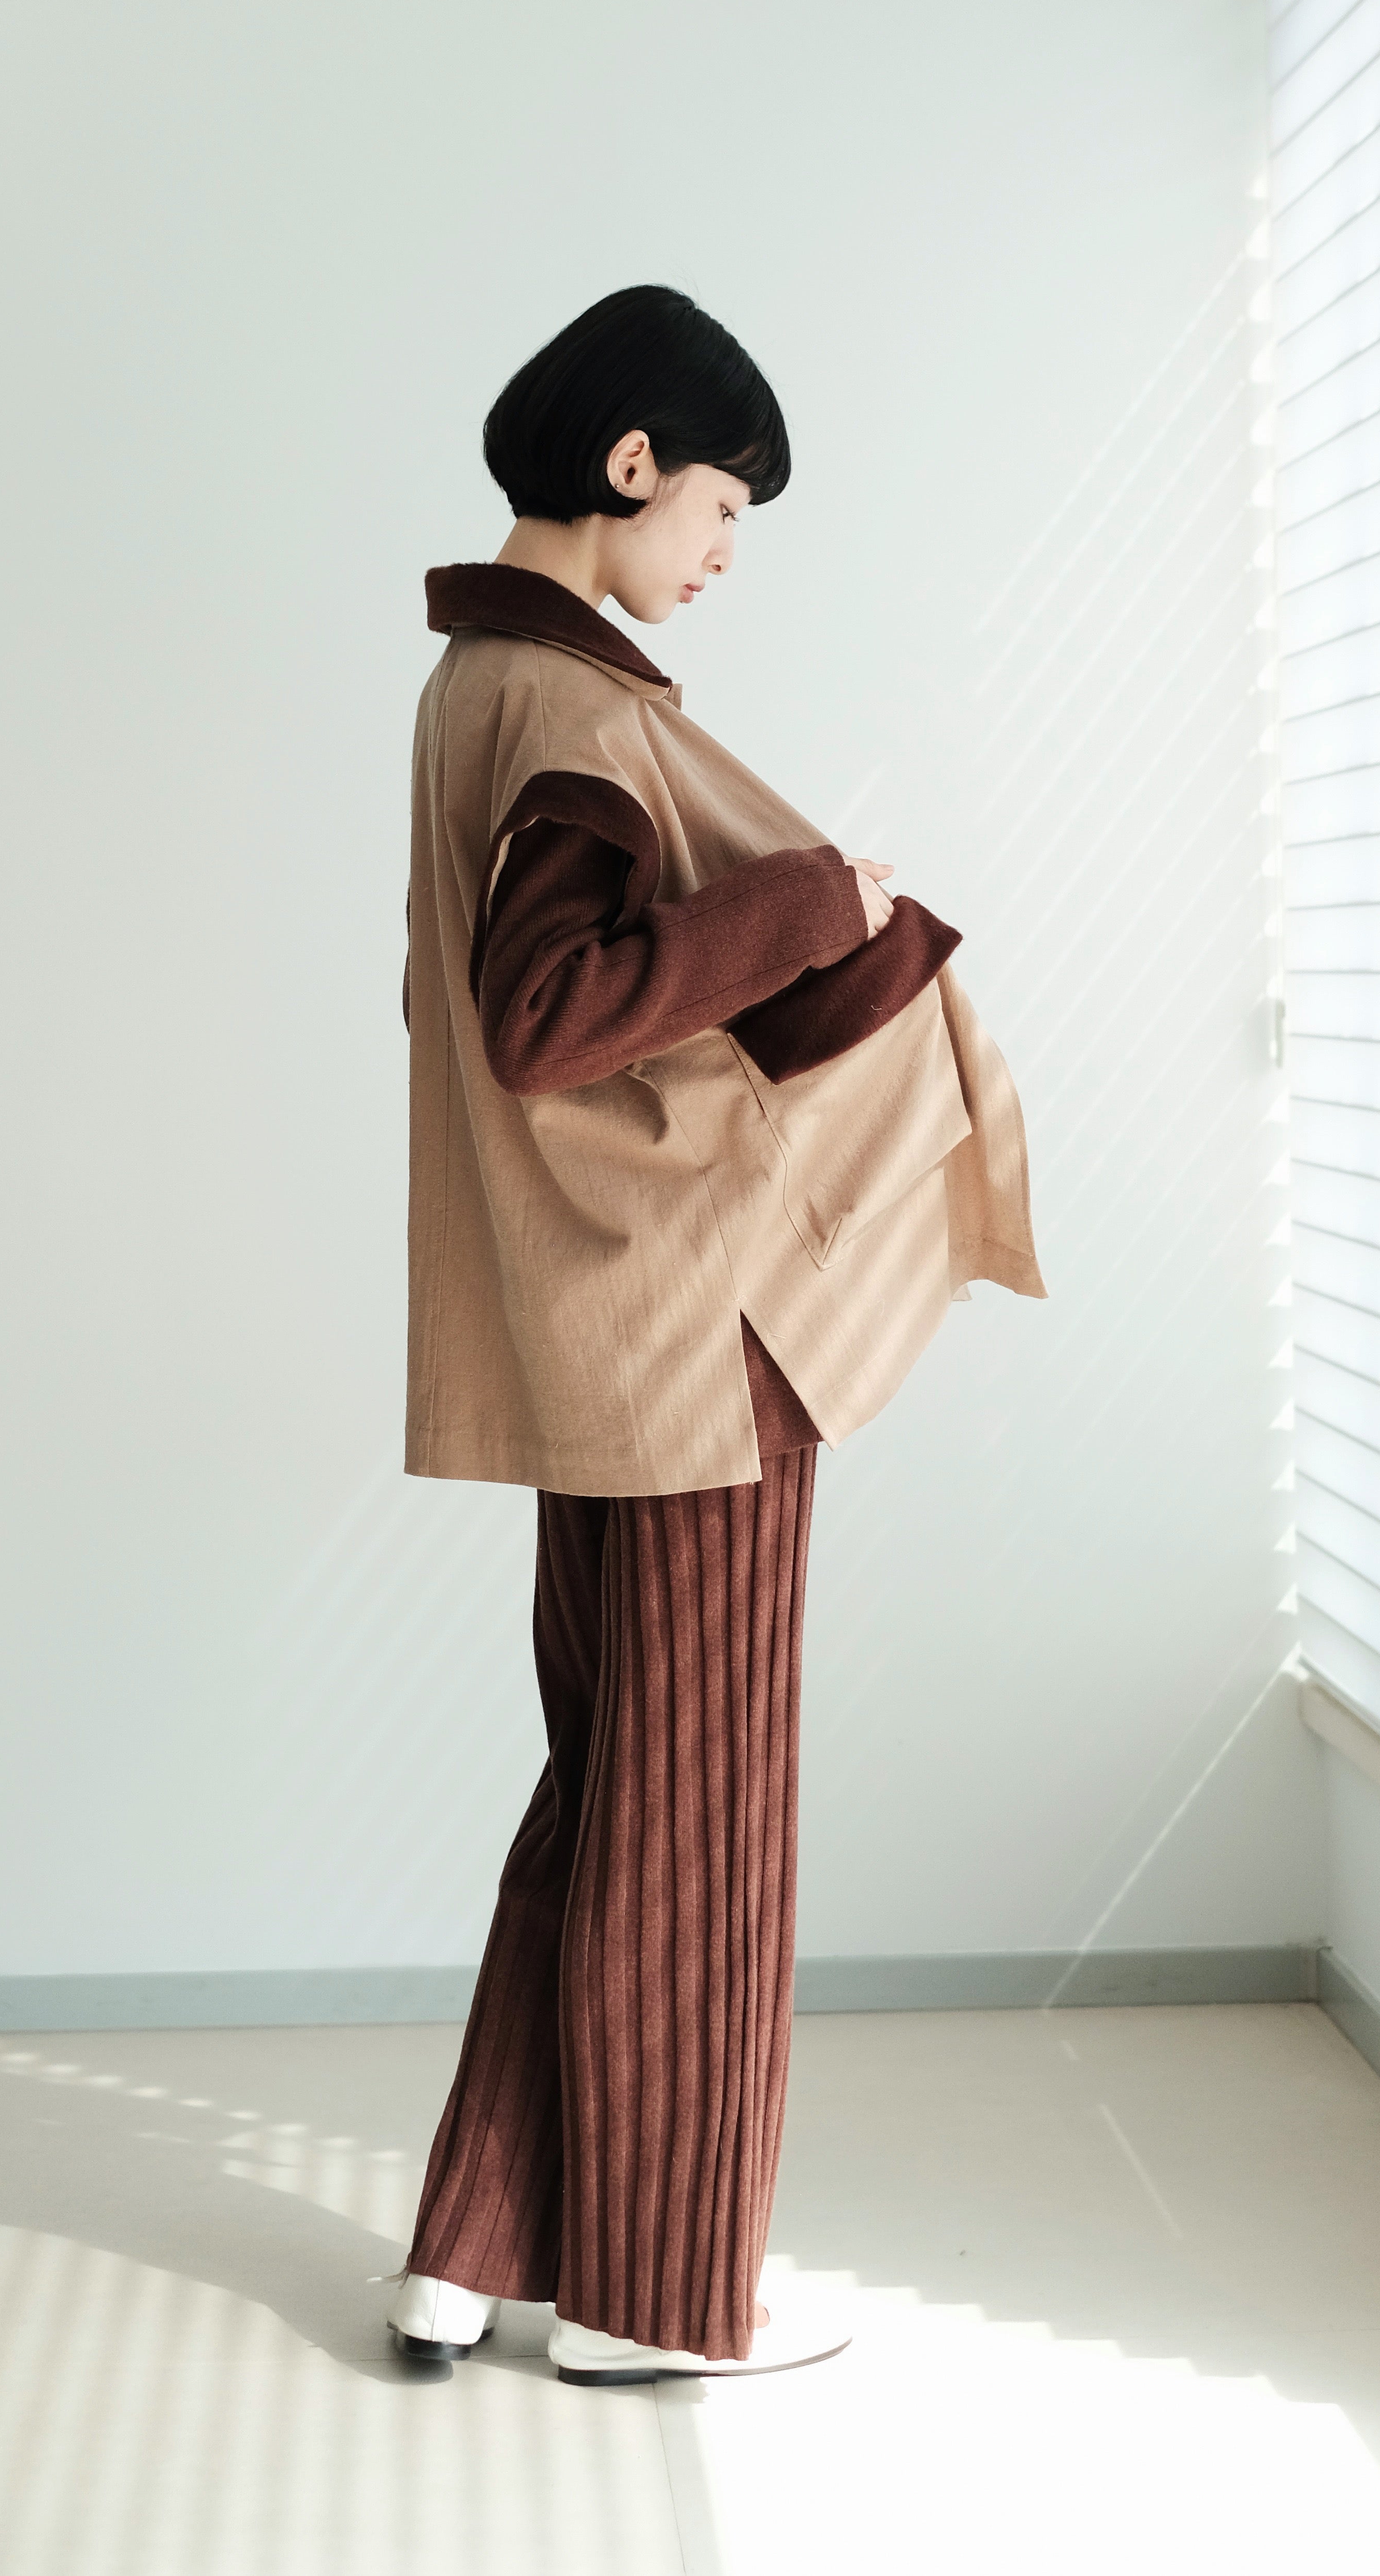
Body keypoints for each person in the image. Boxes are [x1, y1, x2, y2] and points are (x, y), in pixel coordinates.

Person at [386, 284, 1042, 2385]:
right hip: (693, 1338)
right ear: (631, 464)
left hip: (601, 1330)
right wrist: (809, 902)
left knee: (607, 1790)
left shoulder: (479, 683)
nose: (727, 553)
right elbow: (544, 1013)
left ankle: (472, 2246)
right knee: (699, 1818)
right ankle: (656, 2303)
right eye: (723, 505)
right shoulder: (570, 711)